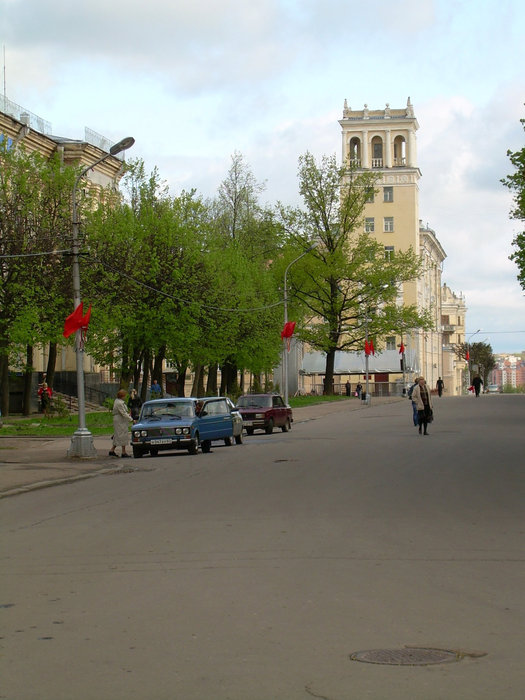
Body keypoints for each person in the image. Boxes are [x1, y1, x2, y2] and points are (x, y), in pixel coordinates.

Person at [109, 389, 133, 458]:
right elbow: (123, 413)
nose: (125, 397)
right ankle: (123, 452)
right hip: (120, 420)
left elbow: (124, 412)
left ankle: (112, 450)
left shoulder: (119, 401)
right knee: (122, 435)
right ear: (122, 396)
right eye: (125, 395)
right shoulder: (119, 403)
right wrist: (131, 419)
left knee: (118, 435)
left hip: (120, 420)